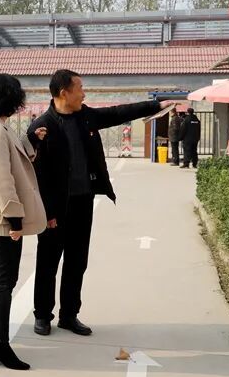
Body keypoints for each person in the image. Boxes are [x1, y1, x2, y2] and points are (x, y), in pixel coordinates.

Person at [28, 70, 171, 336]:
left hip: (83, 201)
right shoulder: (42, 127)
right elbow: (37, 177)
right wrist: (47, 212)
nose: (84, 94)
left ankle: (69, 315)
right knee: (48, 262)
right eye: (80, 88)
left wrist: (155, 105)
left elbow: (118, 113)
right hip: (54, 208)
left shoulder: (86, 117)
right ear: (64, 93)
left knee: (77, 261)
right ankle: (42, 315)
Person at [0, 73, 47, 370]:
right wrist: (15, 218)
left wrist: (31, 140)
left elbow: (12, 159)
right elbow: (2, 179)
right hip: (2, 216)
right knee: (3, 281)